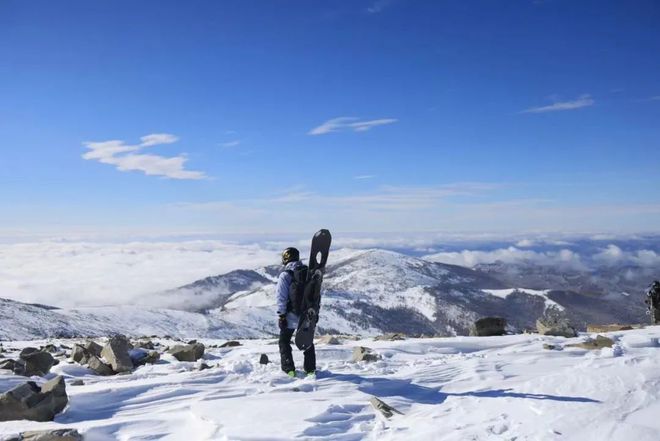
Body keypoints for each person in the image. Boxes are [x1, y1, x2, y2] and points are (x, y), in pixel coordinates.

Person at [276, 247, 316, 377]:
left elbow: (281, 297)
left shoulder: (285, 275)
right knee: (307, 341)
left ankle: (289, 370)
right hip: (307, 316)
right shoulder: (308, 273)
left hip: (290, 316)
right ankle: (310, 370)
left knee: (284, 341)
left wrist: (281, 316)